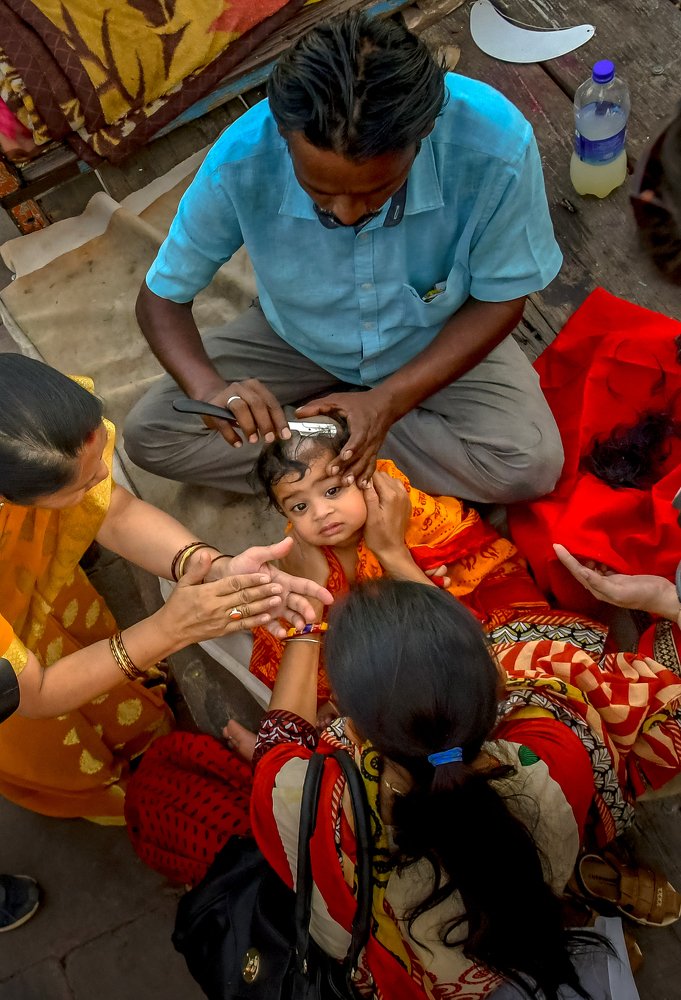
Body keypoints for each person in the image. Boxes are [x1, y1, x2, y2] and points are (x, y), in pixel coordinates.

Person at [127, 566, 681, 996]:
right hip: (521, 900)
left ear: (345, 716)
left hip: (407, 979)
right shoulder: (550, 760)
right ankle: (575, 903)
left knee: (168, 786)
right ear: (493, 693)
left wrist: (309, 626)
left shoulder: (307, 798)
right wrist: (664, 602)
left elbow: (279, 741)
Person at [124, 11, 564, 505]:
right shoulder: (241, 159)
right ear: (285, 140)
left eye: (378, 190)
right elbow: (160, 299)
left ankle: (314, 436)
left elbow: (502, 300)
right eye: (320, 191)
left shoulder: (496, 145)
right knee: (153, 434)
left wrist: (387, 402)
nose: (348, 214)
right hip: (296, 338)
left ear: (420, 140)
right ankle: (343, 435)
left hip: (434, 333)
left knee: (528, 467)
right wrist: (208, 390)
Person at [0, 354, 330, 822]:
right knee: (52, 748)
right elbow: (35, 693)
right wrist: (170, 629)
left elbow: (111, 511)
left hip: (32, 595)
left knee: (97, 659)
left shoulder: (22, 431)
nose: (103, 477)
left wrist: (212, 564)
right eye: (83, 481)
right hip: (17, 693)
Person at [249, 418, 547, 703]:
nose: (321, 512)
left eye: (332, 490)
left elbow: (467, 560)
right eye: (300, 506)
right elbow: (304, 626)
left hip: (455, 628)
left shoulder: (403, 506)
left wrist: (415, 569)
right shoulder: (301, 556)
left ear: (363, 474)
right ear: (285, 515)